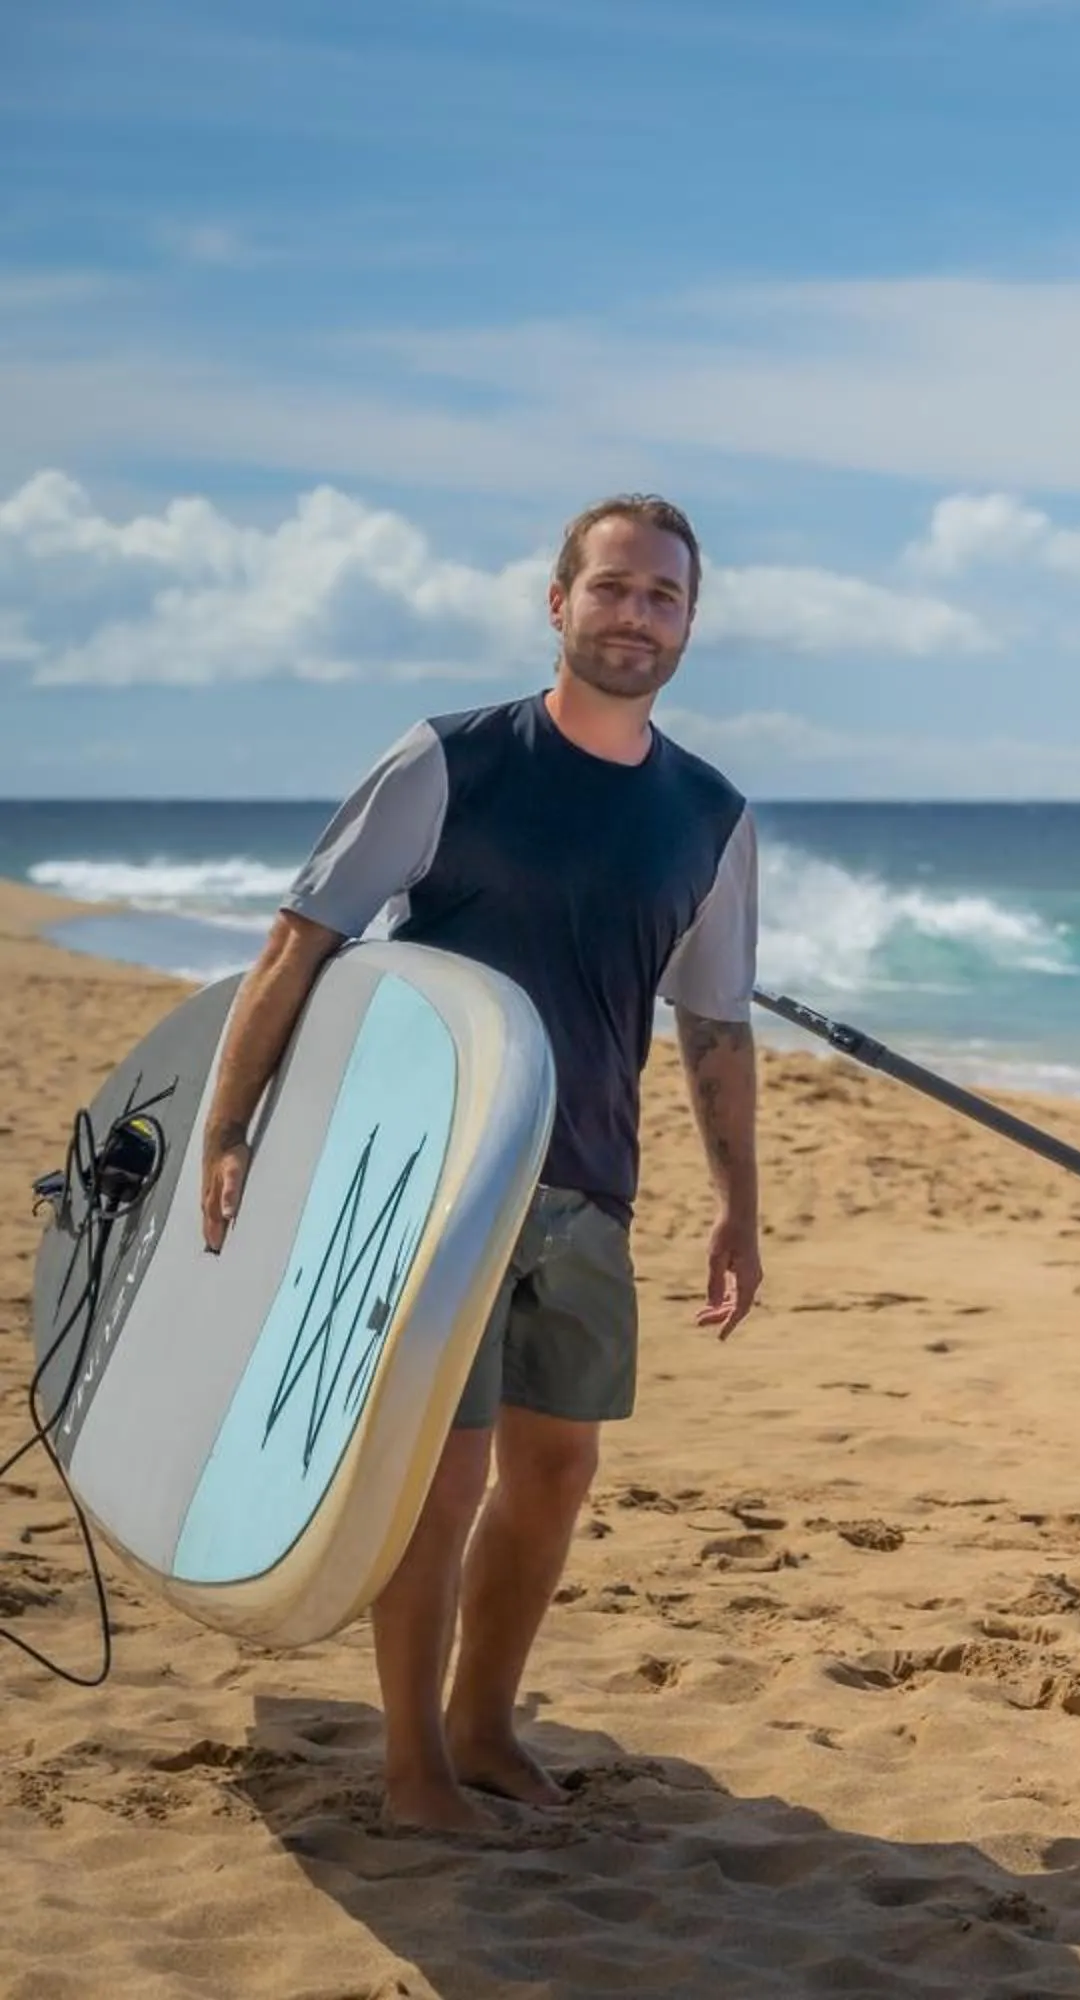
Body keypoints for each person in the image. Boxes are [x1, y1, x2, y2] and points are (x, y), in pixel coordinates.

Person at [198, 494, 763, 1833]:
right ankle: (413, 1771)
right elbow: (302, 941)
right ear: (557, 602)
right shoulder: (449, 760)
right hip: (428, 1178)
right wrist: (229, 1127)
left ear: (691, 625)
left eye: (664, 597)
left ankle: (485, 1722)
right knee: (442, 1478)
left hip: (586, 1190)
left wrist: (740, 1208)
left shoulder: (712, 816)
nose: (637, 615)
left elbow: (717, 1025)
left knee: (556, 1470)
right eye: (614, 588)